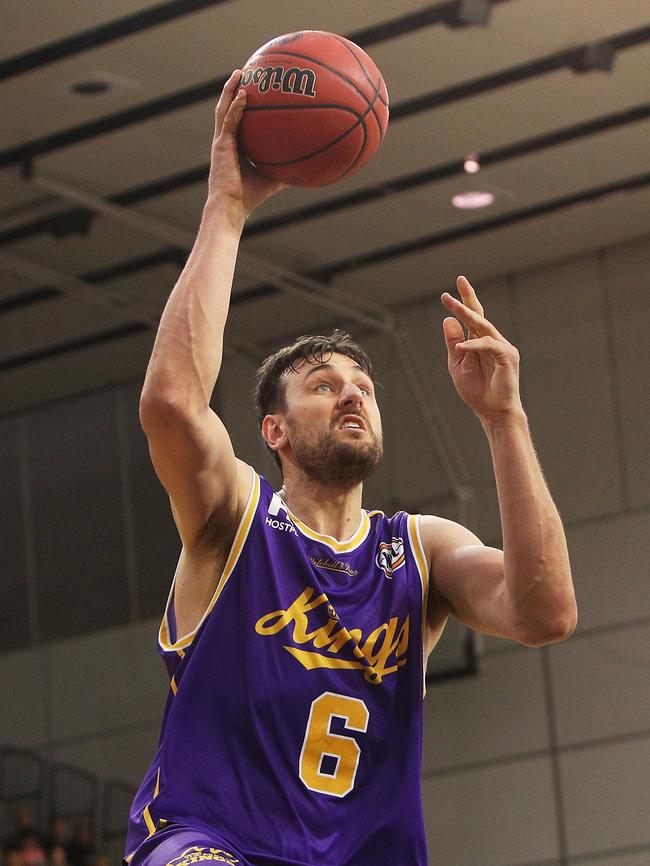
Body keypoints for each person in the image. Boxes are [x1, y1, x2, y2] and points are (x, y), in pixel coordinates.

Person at [124, 71, 577, 866]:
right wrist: (226, 208)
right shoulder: (236, 516)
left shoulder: (420, 550)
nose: (352, 396)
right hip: (207, 844)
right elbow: (170, 404)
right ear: (274, 430)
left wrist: (505, 419)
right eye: (324, 386)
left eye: (363, 386)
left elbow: (544, 615)